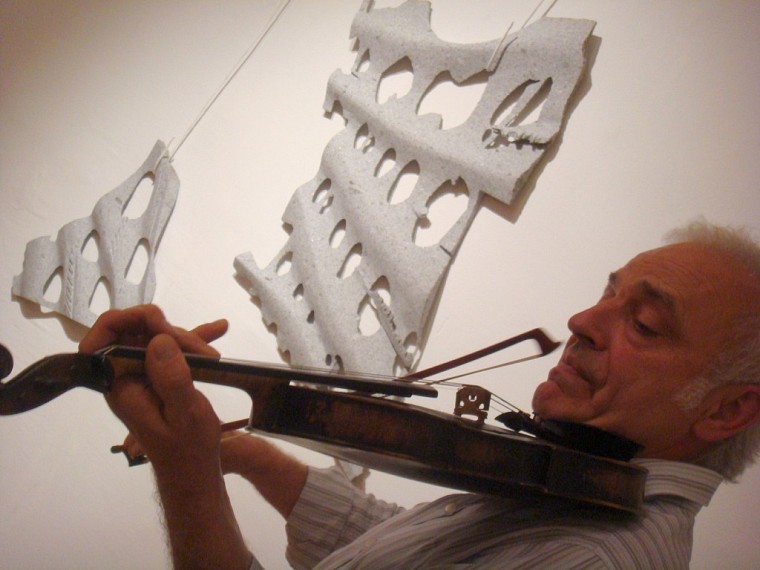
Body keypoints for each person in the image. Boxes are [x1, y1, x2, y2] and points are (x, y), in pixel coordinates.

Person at [80, 221, 760, 569]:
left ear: (726, 409)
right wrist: (242, 453)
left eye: (645, 323)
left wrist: (187, 473)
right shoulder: (573, 489)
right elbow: (400, 550)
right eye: (607, 294)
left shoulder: (590, 560)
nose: (583, 321)